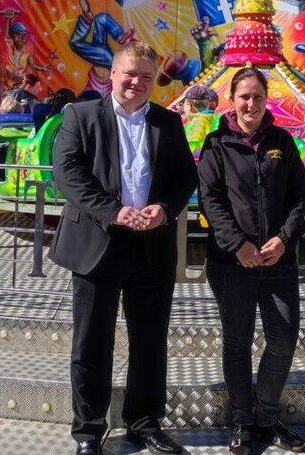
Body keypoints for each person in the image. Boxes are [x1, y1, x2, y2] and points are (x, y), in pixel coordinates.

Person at [50, 42, 197, 455]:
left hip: (151, 247)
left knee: (150, 341)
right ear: (113, 74)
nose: (137, 83)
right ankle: (88, 431)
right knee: (91, 342)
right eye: (130, 74)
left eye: (146, 77)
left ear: (155, 81)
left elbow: (185, 177)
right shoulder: (80, 115)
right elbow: (69, 173)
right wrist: (113, 212)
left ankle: (144, 423)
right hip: (99, 243)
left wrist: (164, 210)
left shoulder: (168, 123)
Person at [196, 67, 305, 455]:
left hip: (278, 261)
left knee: (283, 338)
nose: (250, 103)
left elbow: (298, 197)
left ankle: (267, 417)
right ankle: (243, 421)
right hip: (232, 264)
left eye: (257, 96)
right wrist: (237, 245)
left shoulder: (282, 142)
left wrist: (284, 238)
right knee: (238, 342)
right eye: (244, 96)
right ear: (232, 98)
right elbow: (210, 200)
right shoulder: (216, 144)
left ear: (266, 99)